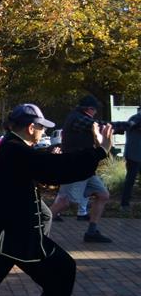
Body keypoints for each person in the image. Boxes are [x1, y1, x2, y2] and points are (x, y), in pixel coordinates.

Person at [0, 103, 113, 296]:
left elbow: (38, 166)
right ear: (31, 128)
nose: (44, 132)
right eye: (42, 128)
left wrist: (47, 158)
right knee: (63, 269)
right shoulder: (15, 149)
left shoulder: (14, 146)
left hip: (9, 235)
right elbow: (57, 168)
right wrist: (100, 150)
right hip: (12, 237)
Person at [48, 95, 132, 243]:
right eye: (95, 110)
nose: (96, 113)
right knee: (65, 202)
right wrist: (126, 125)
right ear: (90, 109)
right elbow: (100, 126)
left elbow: (99, 127)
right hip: (74, 167)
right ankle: (34, 229)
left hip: (84, 168)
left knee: (103, 195)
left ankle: (91, 232)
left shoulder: (78, 117)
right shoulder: (77, 119)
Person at [120, 106, 141, 208]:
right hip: (134, 155)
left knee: (130, 180)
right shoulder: (135, 119)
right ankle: (124, 204)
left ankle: (125, 204)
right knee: (130, 180)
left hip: (135, 154)